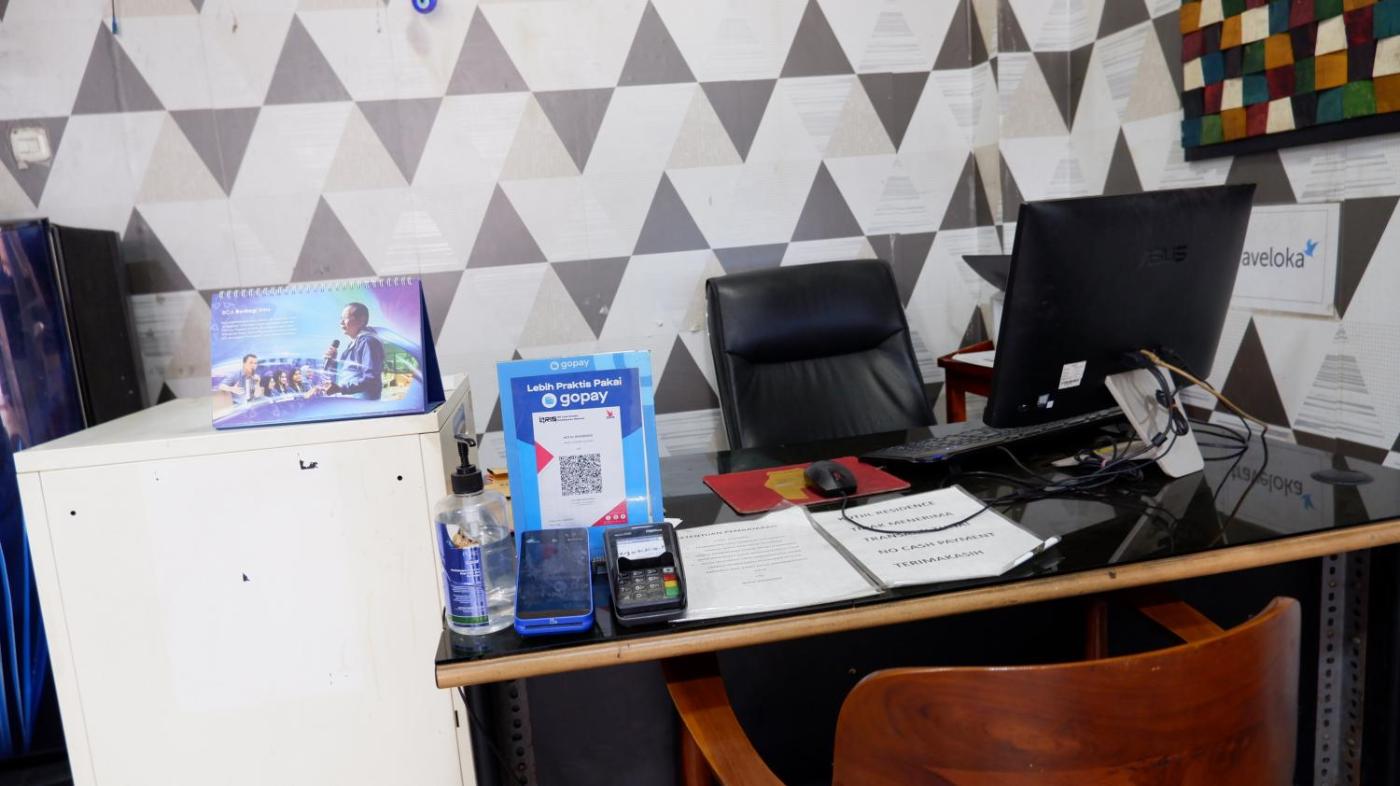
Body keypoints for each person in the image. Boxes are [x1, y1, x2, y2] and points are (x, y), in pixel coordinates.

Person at [322, 302, 384, 400]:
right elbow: (347, 374)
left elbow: (371, 380)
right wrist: (333, 361)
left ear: (362, 320)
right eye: (341, 318)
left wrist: (341, 388)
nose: (341, 322)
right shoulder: (354, 343)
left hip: (363, 404)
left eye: (345, 318)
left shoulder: (368, 342)